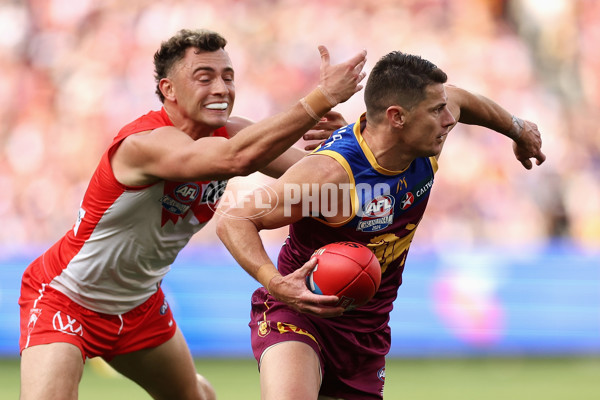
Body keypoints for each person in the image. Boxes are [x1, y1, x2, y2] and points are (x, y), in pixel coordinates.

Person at [18, 28, 367, 400]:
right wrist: (319, 98)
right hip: (66, 298)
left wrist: (339, 142)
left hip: (140, 304)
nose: (221, 88)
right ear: (169, 89)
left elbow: (328, 181)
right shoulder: (143, 143)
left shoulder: (230, 133)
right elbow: (235, 160)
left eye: (228, 77)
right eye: (205, 78)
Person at [216, 50, 546, 400]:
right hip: (298, 313)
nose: (450, 119)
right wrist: (277, 284)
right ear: (397, 117)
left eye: (444, 107)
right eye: (437, 111)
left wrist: (518, 129)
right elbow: (234, 219)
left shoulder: (427, 142)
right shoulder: (331, 177)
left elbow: (461, 98)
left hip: (366, 334)